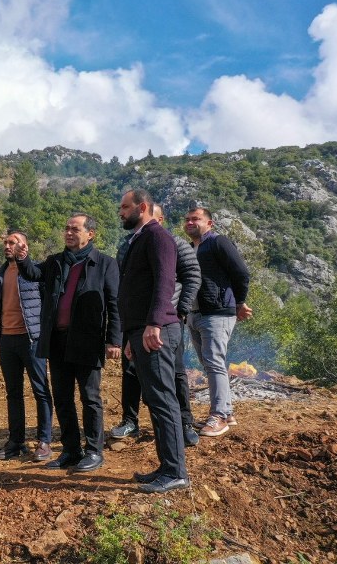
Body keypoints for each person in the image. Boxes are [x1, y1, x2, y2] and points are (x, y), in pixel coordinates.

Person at [16, 214, 121, 473]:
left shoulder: (105, 264)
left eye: (75, 229)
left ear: (90, 234)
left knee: (90, 398)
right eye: (66, 229)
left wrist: (114, 340)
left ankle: (94, 451)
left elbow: (115, 305)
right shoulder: (56, 262)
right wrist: (22, 258)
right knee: (62, 398)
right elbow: (33, 273)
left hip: (87, 341)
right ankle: (71, 450)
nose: (69, 233)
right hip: (58, 341)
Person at [110, 203, 202, 447]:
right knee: (130, 372)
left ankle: (184, 422)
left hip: (165, 324)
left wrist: (180, 311)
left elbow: (192, 277)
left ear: (159, 219)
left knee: (177, 373)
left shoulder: (175, 243)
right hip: (136, 323)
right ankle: (130, 420)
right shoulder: (128, 246)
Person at [118, 189, 189, 493]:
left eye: (125, 207)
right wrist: (133, 334)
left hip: (157, 330)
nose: (120, 212)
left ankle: (175, 472)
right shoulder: (139, 239)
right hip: (142, 331)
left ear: (142, 207)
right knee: (156, 401)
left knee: (163, 400)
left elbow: (164, 281)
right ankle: (166, 466)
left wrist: (153, 323)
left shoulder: (158, 237)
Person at [184, 207, 252, 437]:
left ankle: (219, 416)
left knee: (213, 362)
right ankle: (227, 412)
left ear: (209, 223)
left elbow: (241, 273)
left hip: (217, 312)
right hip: (194, 313)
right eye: (187, 219)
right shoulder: (189, 248)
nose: (190, 222)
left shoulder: (218, 242)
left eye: (196, 219)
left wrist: (239, 302)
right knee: (210, 364)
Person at [0, 230, 53, 461]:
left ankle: (45, 441)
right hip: (7, 340)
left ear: (24, 246)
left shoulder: (35, 271)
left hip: (31, 340)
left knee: (41, 391)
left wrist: (45, 336)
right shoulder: (1, 273)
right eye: (6, 242)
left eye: (13, 242)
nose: (8, 246)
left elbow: (47, 304)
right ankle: (16, 442)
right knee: (13, 393)